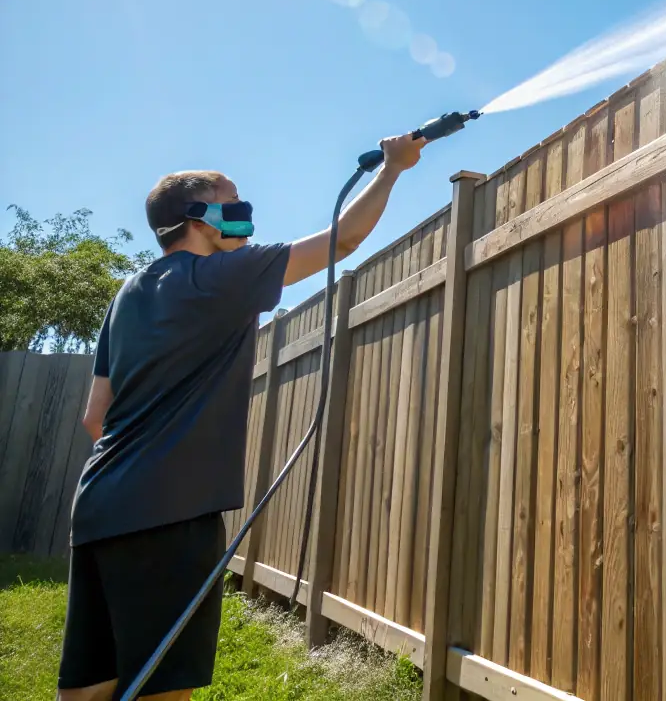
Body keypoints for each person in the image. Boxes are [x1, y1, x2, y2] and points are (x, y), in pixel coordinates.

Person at [56, 134, 425, 701]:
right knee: (160, 686)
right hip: (170, 515)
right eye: (233, 203)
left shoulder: (127, 295)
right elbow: (344, 239)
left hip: (99, 505)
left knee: (90, 683)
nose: (244, 212)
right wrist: (394, 168)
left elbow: (93, 417)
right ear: (198, 217)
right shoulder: (220, 277)